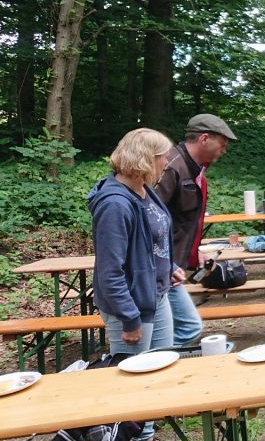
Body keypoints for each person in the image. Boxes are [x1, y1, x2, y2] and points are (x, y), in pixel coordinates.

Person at [89, 128, 176, 441]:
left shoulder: (144, 189)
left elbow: (154, 239)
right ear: (146, 159)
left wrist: (171, 267)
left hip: (156, 296)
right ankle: (133, 435)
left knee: (158, 371)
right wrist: (129, 318)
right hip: (132, 306)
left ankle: (146, 432)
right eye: (163, 157)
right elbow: (110, 272)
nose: (167, 163)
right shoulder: (114, 204)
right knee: (133, 383)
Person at [155, 113, 237, 346]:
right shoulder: (171, 168)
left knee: (179, 329)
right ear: (204, 139)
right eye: (222, 144)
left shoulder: (194, 170)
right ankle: (155, 358)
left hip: (171, 267)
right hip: (161, 268)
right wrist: (164, 264)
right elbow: (148, 220)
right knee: (188, 327)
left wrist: (193, 253)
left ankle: (157, 356)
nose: (224, 150)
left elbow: (181, 220)